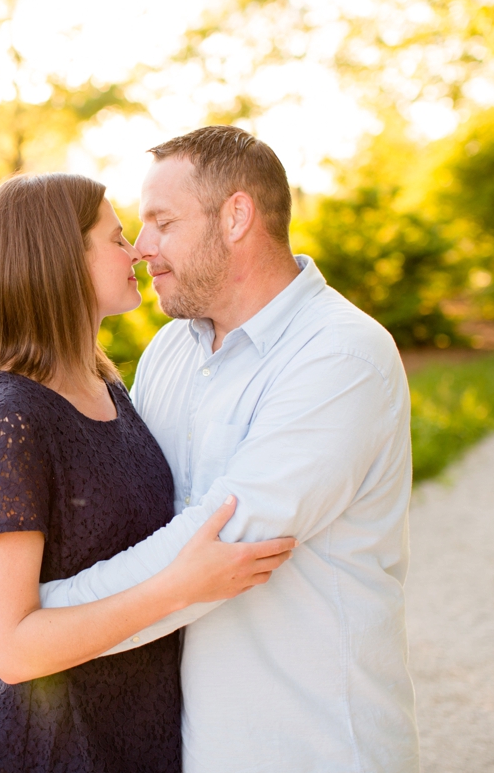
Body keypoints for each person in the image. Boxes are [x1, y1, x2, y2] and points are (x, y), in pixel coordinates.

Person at [24, 126, 421, 772]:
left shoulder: (341, 356)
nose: (141, 247)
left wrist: (41, 618)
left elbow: (221, 546)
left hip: (317, 746)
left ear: (237, 216)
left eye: (162, 222)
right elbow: (127, 517)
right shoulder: (169, 351)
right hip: (193, 746)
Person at [0, 172, 297, 773]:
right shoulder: (8, 417)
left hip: (143, 729)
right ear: (59, 261)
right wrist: (179, 587)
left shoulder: (105, 384)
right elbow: (11, 649)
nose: (137, 249)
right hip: (61, 744)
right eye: (116, 239)